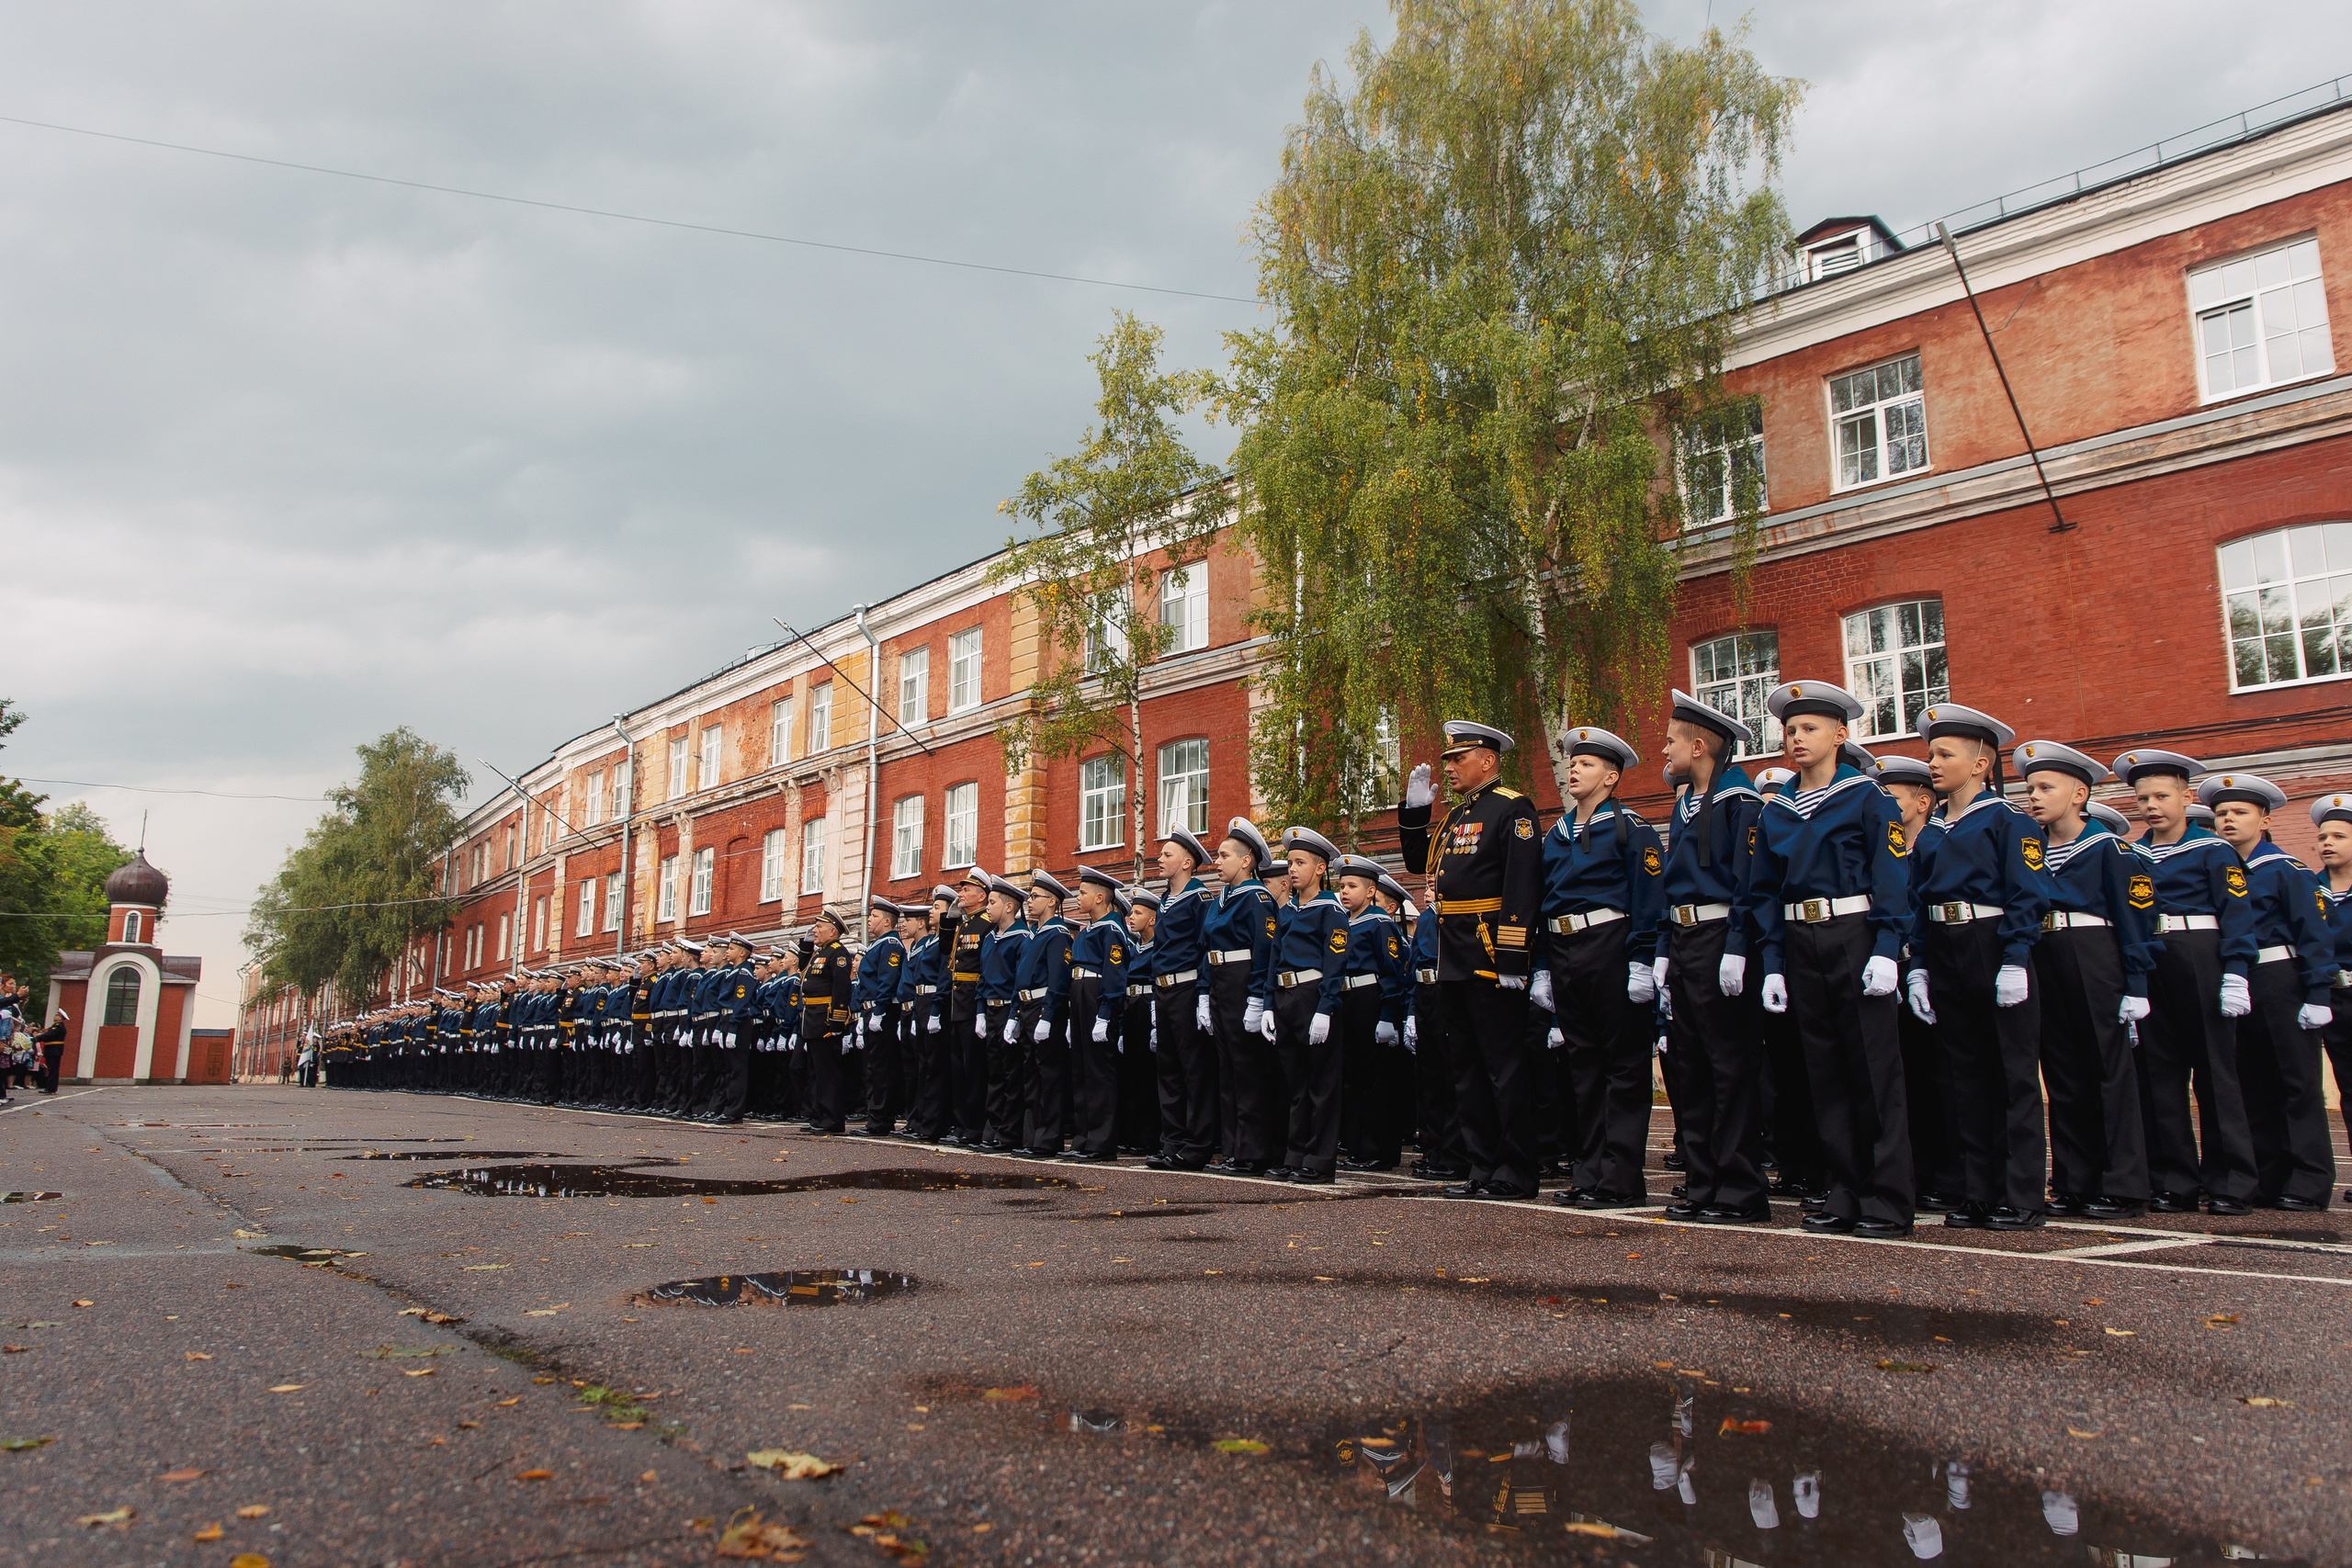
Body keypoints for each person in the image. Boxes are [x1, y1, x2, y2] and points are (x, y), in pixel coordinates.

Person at [1746, 682, 1916, 1237]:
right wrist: (1772, 961)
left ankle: (1887, 1198)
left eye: (1809, 728)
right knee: (1825, 1073)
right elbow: (1765, 890)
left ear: (1841, 735)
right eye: (1790, 730)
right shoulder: (1778, 809)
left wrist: (1888, 947)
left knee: (1873, 1071)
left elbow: (1892, 875)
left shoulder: (1868, 798)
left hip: (1855, 933)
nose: (1796, 738)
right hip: (1800, 940)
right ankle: (1844, 1191)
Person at [1906, 704, 2052, 1231]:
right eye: (1931, 754)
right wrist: (1920, 966)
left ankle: (2020, 1194)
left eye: (1945, 754)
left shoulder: (2008, 820)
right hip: (1946, 947)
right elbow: (1917, 901)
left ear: (1981, 763)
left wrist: (2015, 958)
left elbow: (2027, 893)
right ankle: (1978, 1190)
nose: (1934, 763)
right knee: (1964, 1075)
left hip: (1992, 943)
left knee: (2011, 1074)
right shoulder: (1934, 830)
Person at [1396, 720, 1544, 1201]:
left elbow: (1522, 884)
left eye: (1460, 759)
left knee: (1502, 1067)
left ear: (1489, 760)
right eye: (1448, 760)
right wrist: (1416, 811)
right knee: (1466, 1068)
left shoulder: (1512, 808)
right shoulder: (1456, 816)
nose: (1450, 767)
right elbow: (1421, 863)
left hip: (1488, 952)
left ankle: (1515, 1171)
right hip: (1452, 953)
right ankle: (1482, 1167)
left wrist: (1513, 954)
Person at [2014, 741, 2154, 1220]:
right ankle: (2075, 1180)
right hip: (2044, 952)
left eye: (2045, 787)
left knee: (2108, 1071)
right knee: (2062, 1072)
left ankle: (2124, 1185)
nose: (2033, 796)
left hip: (2094, 955)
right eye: (2030, 787)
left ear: (2079, 794)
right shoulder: (2029, 847)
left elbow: (2135, 917)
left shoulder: (2108, 848)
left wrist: (2136, 983)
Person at [2115, 749, 2257, 1215]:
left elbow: (2237, 913)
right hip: (2154, 961)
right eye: (2142, 798)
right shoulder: (2133, 853)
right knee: (2160, 1075)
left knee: (2217, 1073)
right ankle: (2174, 1180)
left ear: (2186, 796)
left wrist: (2236, 971)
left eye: (2161, 795)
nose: (2151, 805)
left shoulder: (2215, 850)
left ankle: (2232, 1182)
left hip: (2201, 957)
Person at [1534, 725, 1664, 1209]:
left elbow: (1648, 898)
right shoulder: (1556, 835)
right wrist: (1544, 966)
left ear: (1611, 777)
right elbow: (1543, 905)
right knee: (1583, 1065)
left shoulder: (1632, 827)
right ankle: (1588, 1173)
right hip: (1567, 949)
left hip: (1612, 944)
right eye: (1572, 763)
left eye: (1586, 764)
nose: (1574, 769)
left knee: (1623, 1067)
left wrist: (1641, 960)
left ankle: (1621, 1178)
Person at [1650, 694, 1768, 1222]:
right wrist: (1662, 951)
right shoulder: (1685, 803)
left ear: (1699, 746)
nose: (1665, 749)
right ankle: (1703, 1182)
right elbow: (1671, 889)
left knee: (1729, 1067)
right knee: (1690, 1066)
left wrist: (1739, 947)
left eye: (1672, 740)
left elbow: (1750, 883)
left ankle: (1740, 1188)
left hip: (1722, 936)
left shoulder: (1740, 802)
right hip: (1685, 940)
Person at [2198, 772, 2335, 1211]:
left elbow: (2314, 935)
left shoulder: (2285, 870)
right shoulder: (2216, 866)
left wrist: (2318, 992)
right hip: (2235, 980)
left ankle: (2309, 1180)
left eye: (2240, 812)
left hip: (2280, 977)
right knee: (2250, 1081)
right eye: (2221, 814)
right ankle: (2267, 1175)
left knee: (2297, 1083)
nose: (2228, 821)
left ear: (2265, 818)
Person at [1871, 752, 1958, 1213]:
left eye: (1893, 795)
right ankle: (1918, 1172)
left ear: (1923, 802)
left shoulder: (1934, 845)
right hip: (1892, 969)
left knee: (1937, 1074)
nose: (1883, 802)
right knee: (1901, 1078)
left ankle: (1947, 1173)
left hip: (1929, 968)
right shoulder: (1887, 847)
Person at [1265, 828, 1347, 1184]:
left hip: (1313, 995)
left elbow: (1336, 961)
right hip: (1285, 998)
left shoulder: (1330, 909)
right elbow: (1274, 958)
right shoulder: (1288, 910)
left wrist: (1326, 1007)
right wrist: (1268, 1004)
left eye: (1300, 863)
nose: (1292, 870)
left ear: (1319, 869)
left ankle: (1319, 1159)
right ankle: (1295, 1153)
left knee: (1322, 1084)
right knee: (1295, 1084)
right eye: (1290, 863)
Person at [1203, 818, 1282, 1176]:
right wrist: (1204, 994)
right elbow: (1206, 948)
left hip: (1241, 980)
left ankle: (1254, 1151)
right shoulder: (1222, 899)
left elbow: (1265, 951)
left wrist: (1257, 998)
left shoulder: (1258, 898)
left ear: (1246, 860)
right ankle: (1234, 1147)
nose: (1216, 862)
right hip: (1220, 981)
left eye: (1223, 856)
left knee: (1249, 1069)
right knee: (1227, 1069)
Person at [1331, 854, 1411, 1172]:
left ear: (1370, 892)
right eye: (1342, 886)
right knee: (1353, 1078)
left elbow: (1392, 971)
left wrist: (1389, 1014)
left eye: (1352, 886)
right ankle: (1358, 1146)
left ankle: (1380, 1149)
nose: (1345, 892)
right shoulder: (1344, 921)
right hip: (1347, 999)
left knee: (1375, 1080)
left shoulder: (1380, 923)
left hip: (1370, 998)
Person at [1146, 825, 1218, 1172]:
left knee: (1194, 1072)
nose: (1159, 859)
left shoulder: (1199, 898)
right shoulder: (1164, 899)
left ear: (1188, 862)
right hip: (1164, 990)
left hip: (1188, 989)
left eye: (1167, 854)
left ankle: (1197, 1144)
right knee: (1169, 1071)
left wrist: (1203, 994)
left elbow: (1205, 948)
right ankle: (1171, 1142)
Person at [1064, 866, 1132, 1164]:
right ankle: (1084, 1137)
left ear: (1100, 897)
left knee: (1098, 1071)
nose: (1078, 898)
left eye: (1083, 893)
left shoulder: (1112, 930)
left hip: (1096, 995)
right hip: (1079, 994)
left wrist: (1105, 1013)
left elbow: (1114, 975)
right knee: (1080, 1069)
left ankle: (1102, 1142)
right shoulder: (1086, 931)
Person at [1016, 871, 1078, 1157]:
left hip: (1044, 1008)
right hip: (1028, 1007)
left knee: (1049, 1076)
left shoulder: (1057, 934)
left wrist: (1048, 1015)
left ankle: (1047, 1138)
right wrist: (1017, 1016)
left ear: (1052, 902)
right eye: (1029, 896)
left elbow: (1059, 979)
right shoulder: (1035, 934)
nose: (1029, 901)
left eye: (1035, 897)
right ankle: (1031, 1136)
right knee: (1031, 1075)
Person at [2310, 792, 2352, 1206]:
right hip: (2332, 997)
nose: (2327, 843)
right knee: (2347, 1089)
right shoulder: (2312, 887)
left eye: (2338, 835)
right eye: (2322, 836)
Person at [976, 878, 1032, 1151]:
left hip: (1009, 1011)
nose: (988, 907)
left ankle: (1009, 1133)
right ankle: (993, 1129)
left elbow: (1020, 981)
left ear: (1009, 907)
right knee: (995, 1073)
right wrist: (980, 1012)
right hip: (991, 1009)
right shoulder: (989, 937)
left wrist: (1015, 1015)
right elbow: (982, 979)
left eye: (992, 902)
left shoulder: (1021, 938)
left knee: (1012, 1074)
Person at [796, 909, 854, 1134]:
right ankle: (820, 1116)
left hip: (826, 1019)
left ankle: (833, 1120)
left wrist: (837, 1021)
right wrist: (806, 947)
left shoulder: (837, 953)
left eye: (819, 927)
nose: (814, 930)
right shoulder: (822, 952)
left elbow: (841, 988)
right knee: (817, 1071)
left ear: (832, 930)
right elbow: (804, 974)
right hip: (813, 1018)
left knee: (829, 1073)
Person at [1116, 887, 1162, 1154]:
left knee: (1150, 1072)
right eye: (1131, 912)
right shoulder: (1134, 948)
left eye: (1138, 912)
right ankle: (1136, 1134)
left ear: (1153, 919)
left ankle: (1152, 1135)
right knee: (1133, 1073)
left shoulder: (1159, 947)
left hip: (1149, 1005)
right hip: (1132, 1005)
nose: (1131, 917)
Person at [856, 898, 907, 1135]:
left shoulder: (891, 945)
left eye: (874, 916)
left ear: (887, 921)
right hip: (871, 1009)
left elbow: (887, 980)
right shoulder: (878, 945)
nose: (870, 919)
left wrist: (878, 1011)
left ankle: (881, 1120)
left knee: (882, 1068)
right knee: (873, 1067)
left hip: (883, 1012)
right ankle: (875, 1116)